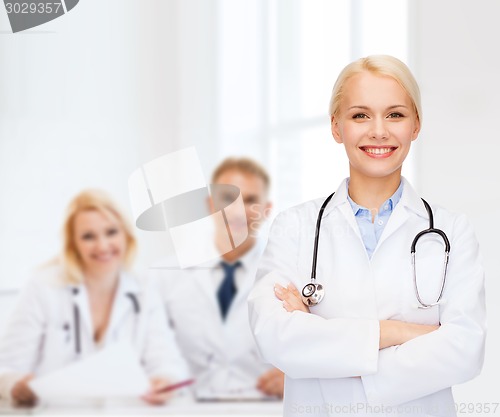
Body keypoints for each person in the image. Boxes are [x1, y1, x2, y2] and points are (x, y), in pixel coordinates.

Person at [248, 55, 486, 416]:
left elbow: (465, 349)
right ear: (336, 127)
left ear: (416, 125)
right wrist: (400, 332)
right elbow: (275, 337)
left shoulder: (453, 231)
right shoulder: (295, 227)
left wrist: (321, 343)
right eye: (360, 115)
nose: (379, 130)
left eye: (395, 114)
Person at [0, 189, 190, 407]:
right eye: (88, 236)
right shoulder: (43, 288)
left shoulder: (144, 289)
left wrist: (165, 380)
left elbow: (167, 361)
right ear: (73, 244)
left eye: (111, 232)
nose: (102, 246)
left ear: (126, 235)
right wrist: (16, 385)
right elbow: (6, 367)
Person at [150, 158, 284, 399]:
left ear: (267, 209)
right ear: (210, 204)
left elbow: (316, 347)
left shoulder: (289, 272)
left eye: (251, 200)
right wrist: (161, 379)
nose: (237, 210)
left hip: (265, 408)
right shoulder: (165, 275)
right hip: (188, 409)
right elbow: (153, 348)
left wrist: (298, 377)